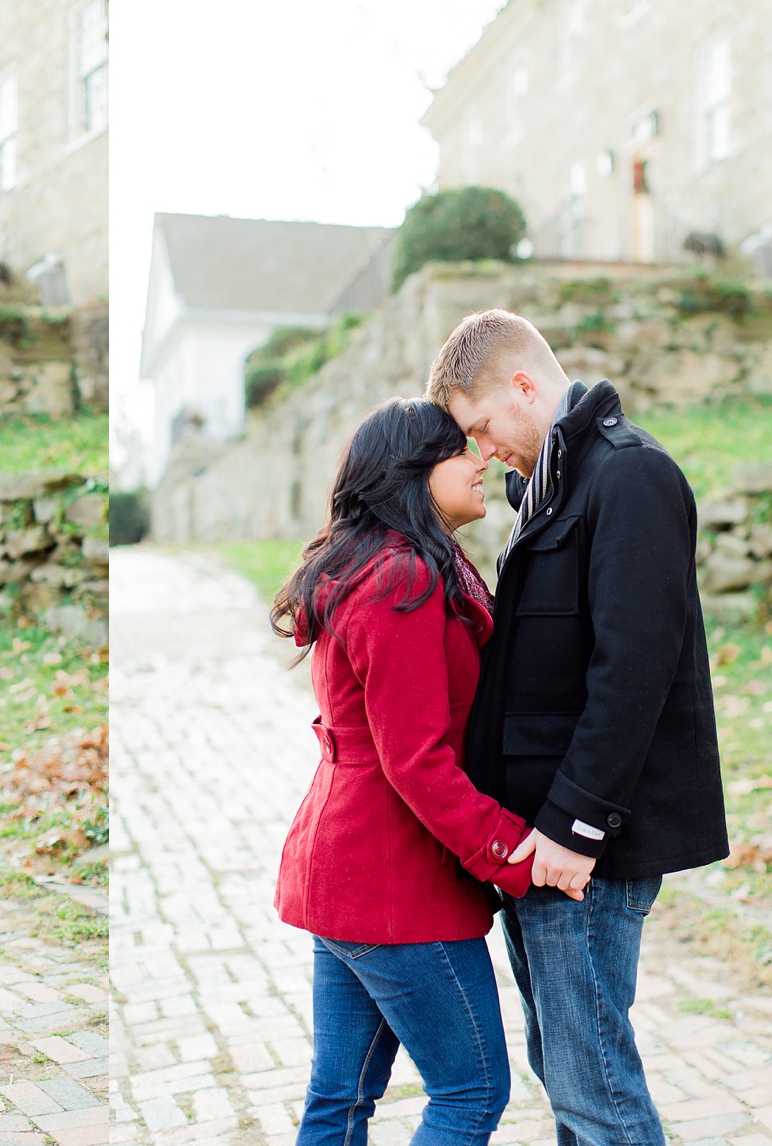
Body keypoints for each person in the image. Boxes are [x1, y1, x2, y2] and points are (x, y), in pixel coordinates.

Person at [427, 308, 729, 1145]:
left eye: (482, 426)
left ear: (525, 387)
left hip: (581, 852)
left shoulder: (631, 477)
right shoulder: (547, 488)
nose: (481, 451)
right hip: (538, 843)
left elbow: (634, 672)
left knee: (596, 1093)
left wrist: (573, 825)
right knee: (568, 1079)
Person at [272, 397, 545, 1146]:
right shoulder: (399, 581)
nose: (481, 458)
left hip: (346, 869)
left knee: (340, 1096)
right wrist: (513, 850)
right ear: (413, 473)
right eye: (460, 449)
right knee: (472, 1091)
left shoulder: (389, 561)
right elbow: (415, 759)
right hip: (391, 881)